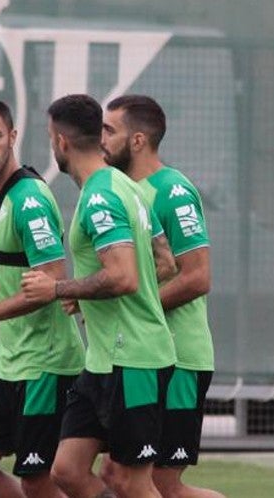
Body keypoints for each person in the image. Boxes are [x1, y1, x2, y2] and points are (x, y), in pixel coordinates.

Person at [21, 94, 177, 498]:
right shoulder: (123, 186)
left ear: (61, 142)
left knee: (132, 481)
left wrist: (59, 288)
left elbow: (124, 277)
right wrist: (89, 294)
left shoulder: (101, 196)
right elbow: (164, 261)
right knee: (67, 470)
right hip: (103, 361)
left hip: (135, 360)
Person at [0, 98, 86, 498]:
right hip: (11, 363)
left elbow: (52, 281)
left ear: (12, 136)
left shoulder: (29, 199)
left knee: (37, 479)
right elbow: (11, 272)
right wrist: (0, 319)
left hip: (47, 364)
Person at [99, 94, 225, 498]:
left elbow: (198, 277)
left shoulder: (172, 191)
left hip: (181, 359)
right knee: (118, 478)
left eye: (109, 130)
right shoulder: (125, 190)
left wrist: (139, 305)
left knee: (161, 485)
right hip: (143, 357)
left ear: (137, 141)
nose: (100, 139)